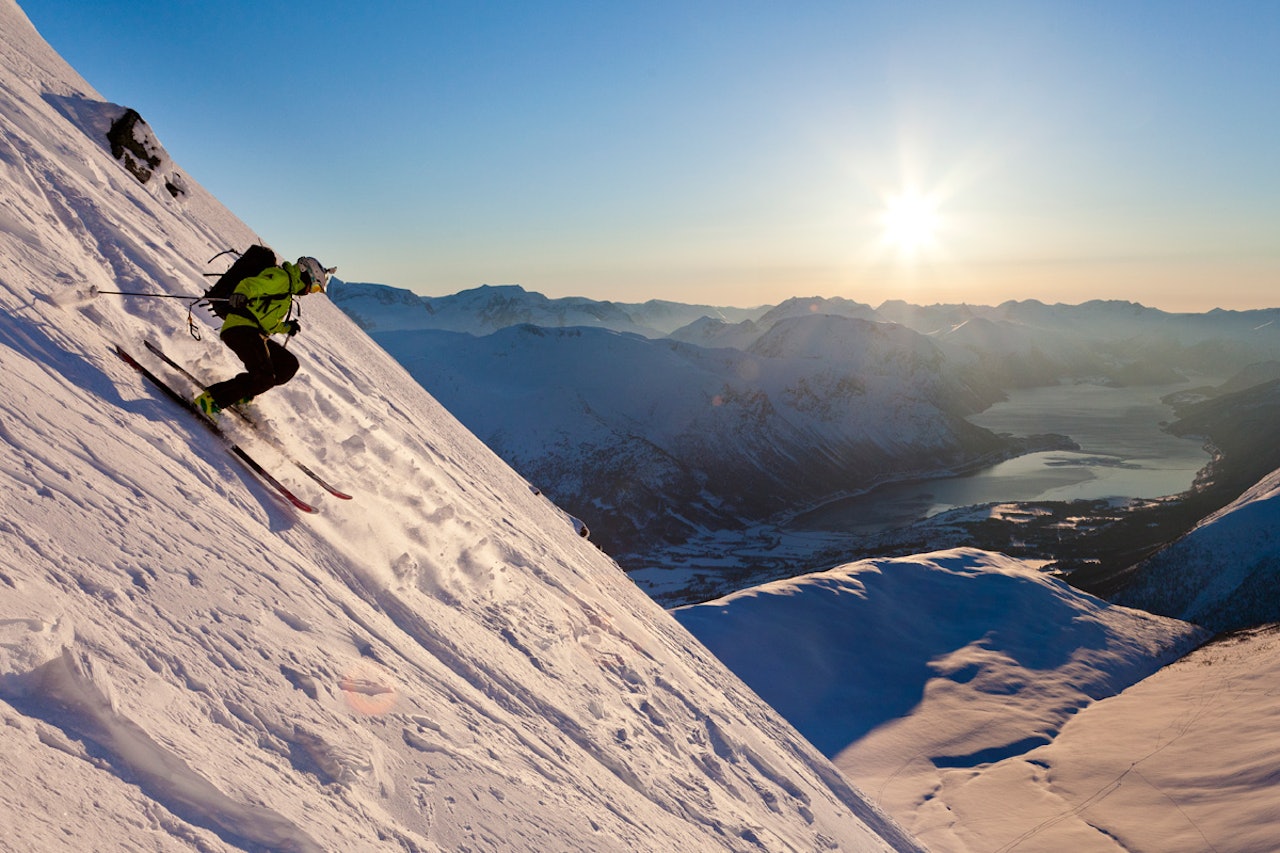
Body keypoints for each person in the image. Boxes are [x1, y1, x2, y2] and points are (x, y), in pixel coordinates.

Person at [195, 256, 334, 417]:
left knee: (287, 365)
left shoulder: (287, 291)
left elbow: (267, 323)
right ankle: (211, 401)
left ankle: (241, 396)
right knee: (264, 377)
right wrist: (241, 293)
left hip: (254, 331)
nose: (310, 292)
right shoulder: (281, 278)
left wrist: (286, 327)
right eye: (315, 287)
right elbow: (251, 284)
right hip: (240, 328)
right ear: (305, 273)